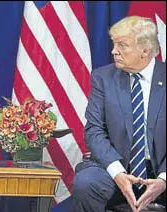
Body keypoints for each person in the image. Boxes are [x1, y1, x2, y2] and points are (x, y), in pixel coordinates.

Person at [73, 16, 166, 212]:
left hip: (161, 169)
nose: (114, 51)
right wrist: (117, 172)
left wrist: (163, 179)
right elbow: (94, 131)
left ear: (145, 50)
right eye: (114, 44)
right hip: (115, 165)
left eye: (122, 45)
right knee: (86, 182)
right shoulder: (103, 78)